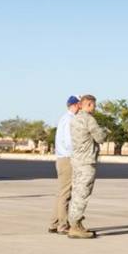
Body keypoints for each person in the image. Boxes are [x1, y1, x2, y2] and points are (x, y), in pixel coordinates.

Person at [67, 94, 108, 239]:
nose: (95, 109)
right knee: (83, 193)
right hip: (86, 162)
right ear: (89, 104)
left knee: (76, 191)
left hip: (76, 160)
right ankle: (75, 225)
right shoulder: (89, 119)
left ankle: (74, 223)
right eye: (94, 106)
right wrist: (105, 131)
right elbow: (100, 137)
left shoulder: (75, 119)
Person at [50, 96, 81, 235]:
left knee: (61, 193)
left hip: (62, 158)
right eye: (80, 105)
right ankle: (63, 225)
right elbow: (70, 142)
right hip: (68, 158)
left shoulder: (64, 118)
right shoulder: (70, 120)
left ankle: (54, 223)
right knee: (66, 194)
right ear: (75, 105)